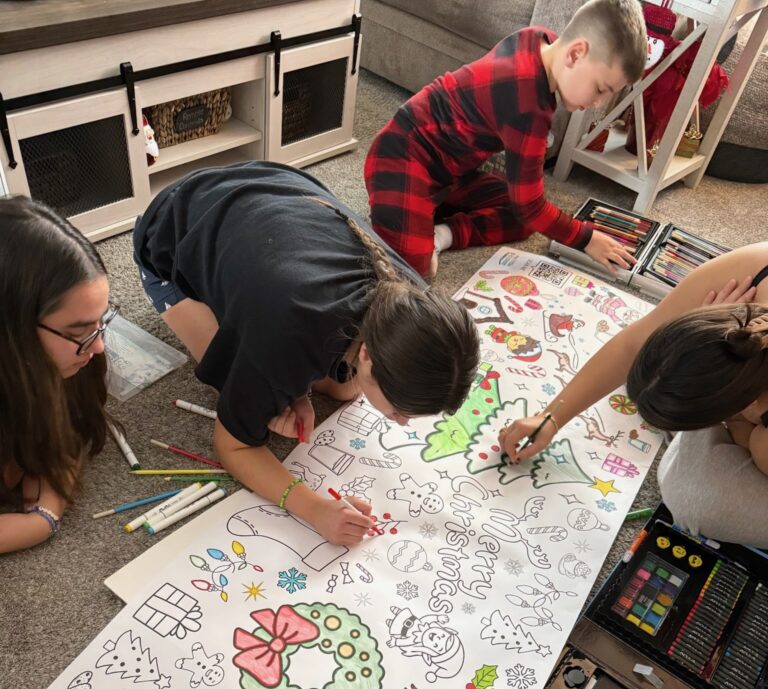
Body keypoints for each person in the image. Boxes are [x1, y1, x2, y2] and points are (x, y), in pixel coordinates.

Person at [133, 161, 479, 547]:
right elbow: (234, 446)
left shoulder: (409, 296)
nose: (400, 422)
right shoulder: (286, 331)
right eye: (400, 410)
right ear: (367, 353)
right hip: (172, 222)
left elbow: (329, 363)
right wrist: (315, 509)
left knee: (344, 390)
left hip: (265, 184)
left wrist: (297, 390)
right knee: (261, 406)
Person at [499, 242, 768, 546]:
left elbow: (754, 447)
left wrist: (741, 424)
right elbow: (633, 345)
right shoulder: (753, 266)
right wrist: (550, 416)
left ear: (742, 406)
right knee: (658, 382)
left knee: (692, 499)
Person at [364, 0, 647, 279]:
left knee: (524, 220)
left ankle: (440, 233)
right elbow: (531, 204)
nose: (598, 103)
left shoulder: (539, 38)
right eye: (600, 89)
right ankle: (408, 223)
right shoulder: (527, 104)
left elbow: (526, 207)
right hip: (400, 161)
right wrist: (585, 239)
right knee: (413, 272)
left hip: (448, 172)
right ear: (575, 54)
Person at [0, 196, 113, 555]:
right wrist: (42, 519)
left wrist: (51, 460)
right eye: (78, 331)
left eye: (101, 321)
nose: (99, 348)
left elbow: (78, 425)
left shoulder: (72, 358)